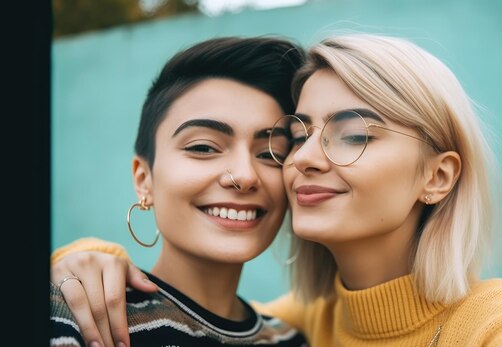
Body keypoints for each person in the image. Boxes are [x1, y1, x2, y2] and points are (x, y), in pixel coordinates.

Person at [52, 33, 502, 346]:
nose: (302, 158)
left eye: (353, 134)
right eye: (298, 136)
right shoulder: (303, 326)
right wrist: (84, 263)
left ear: (436, 176)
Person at [50, 36, 309, 347]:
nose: (244, 176)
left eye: (270, 153)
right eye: (203, 147)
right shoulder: (79, 314)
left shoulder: (290, 339)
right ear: (144, 179)